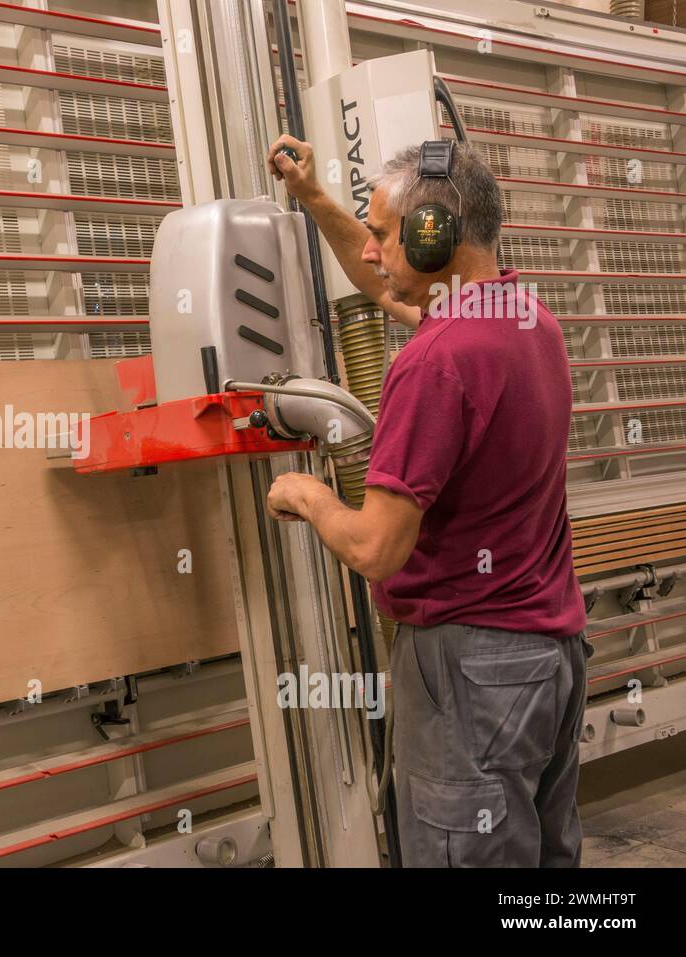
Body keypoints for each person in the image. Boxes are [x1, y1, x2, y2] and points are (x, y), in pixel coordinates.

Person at [262, 134, 590, 867]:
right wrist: (316, 198)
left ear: (432, 236)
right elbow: (383, 287)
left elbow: (378, 547)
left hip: (472, 671)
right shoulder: (527, 323)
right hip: (551, 657)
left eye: (382, 234)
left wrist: (309, 496)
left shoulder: (434, 362)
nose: (372, 251)